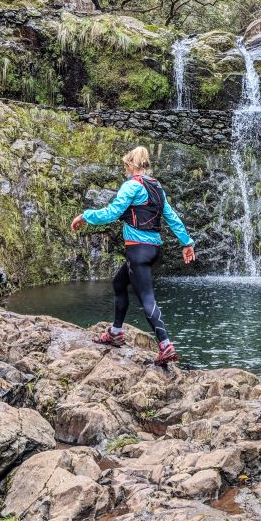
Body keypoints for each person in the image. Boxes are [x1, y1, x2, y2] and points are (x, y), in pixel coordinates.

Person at [71, 146, 195, 365]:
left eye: (125, 167)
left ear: (130, 165)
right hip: (152, 249)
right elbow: (172, 217)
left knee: (147, 298)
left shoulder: (132, 186)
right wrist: (187, 242)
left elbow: (112, 213)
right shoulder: (157, 187)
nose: (125, 171)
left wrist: (85, 216)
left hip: (138, 250)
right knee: (119, 283)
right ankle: (116, 332)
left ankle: (165, 345)